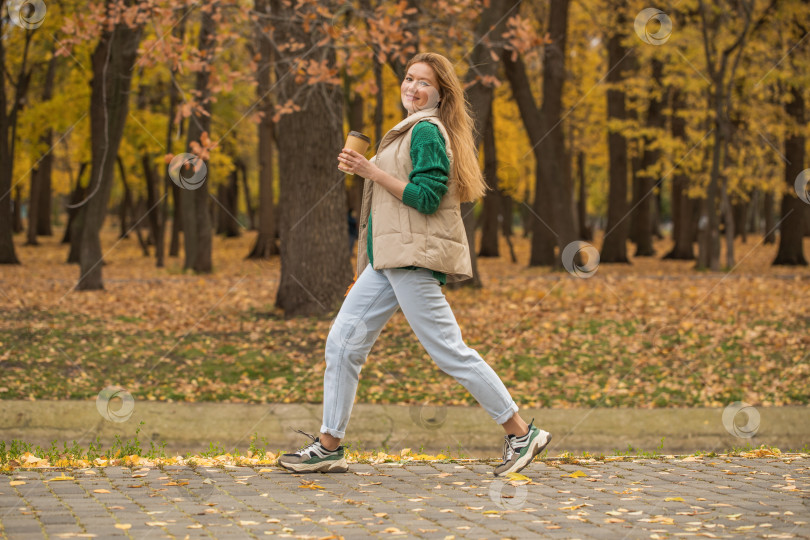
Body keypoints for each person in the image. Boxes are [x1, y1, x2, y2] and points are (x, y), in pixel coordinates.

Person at [278, 52, 551, 476]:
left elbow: (424, 198)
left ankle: (521, 433)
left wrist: (370, 171)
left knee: (449, 351)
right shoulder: (407, 130)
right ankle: (329, 445)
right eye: (409, 78)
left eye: (423, 82)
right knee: (343, 342)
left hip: (411, 259)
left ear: (439, 95)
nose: (412, 87)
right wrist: (364, 267)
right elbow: (388, 213)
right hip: (388, 261)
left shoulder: (425, 129)